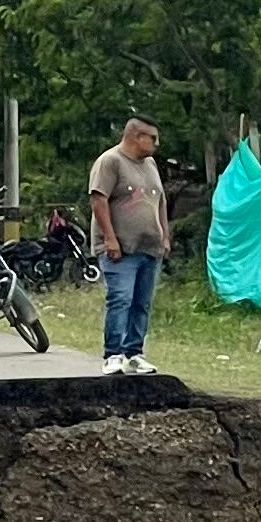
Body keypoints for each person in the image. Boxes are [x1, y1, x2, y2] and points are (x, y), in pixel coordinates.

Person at [87, 115, 167, 375]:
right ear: (135, 136)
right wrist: (110, 239)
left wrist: (164, 234)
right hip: (121, 247)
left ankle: (135, 352)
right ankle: (113, 354)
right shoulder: (110, 161)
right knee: (121, 298)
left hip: (149, 247)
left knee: (142, 302)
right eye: (152, 138)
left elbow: (160, 200)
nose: (156, 143)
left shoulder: (151, 164)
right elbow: (99, 200)